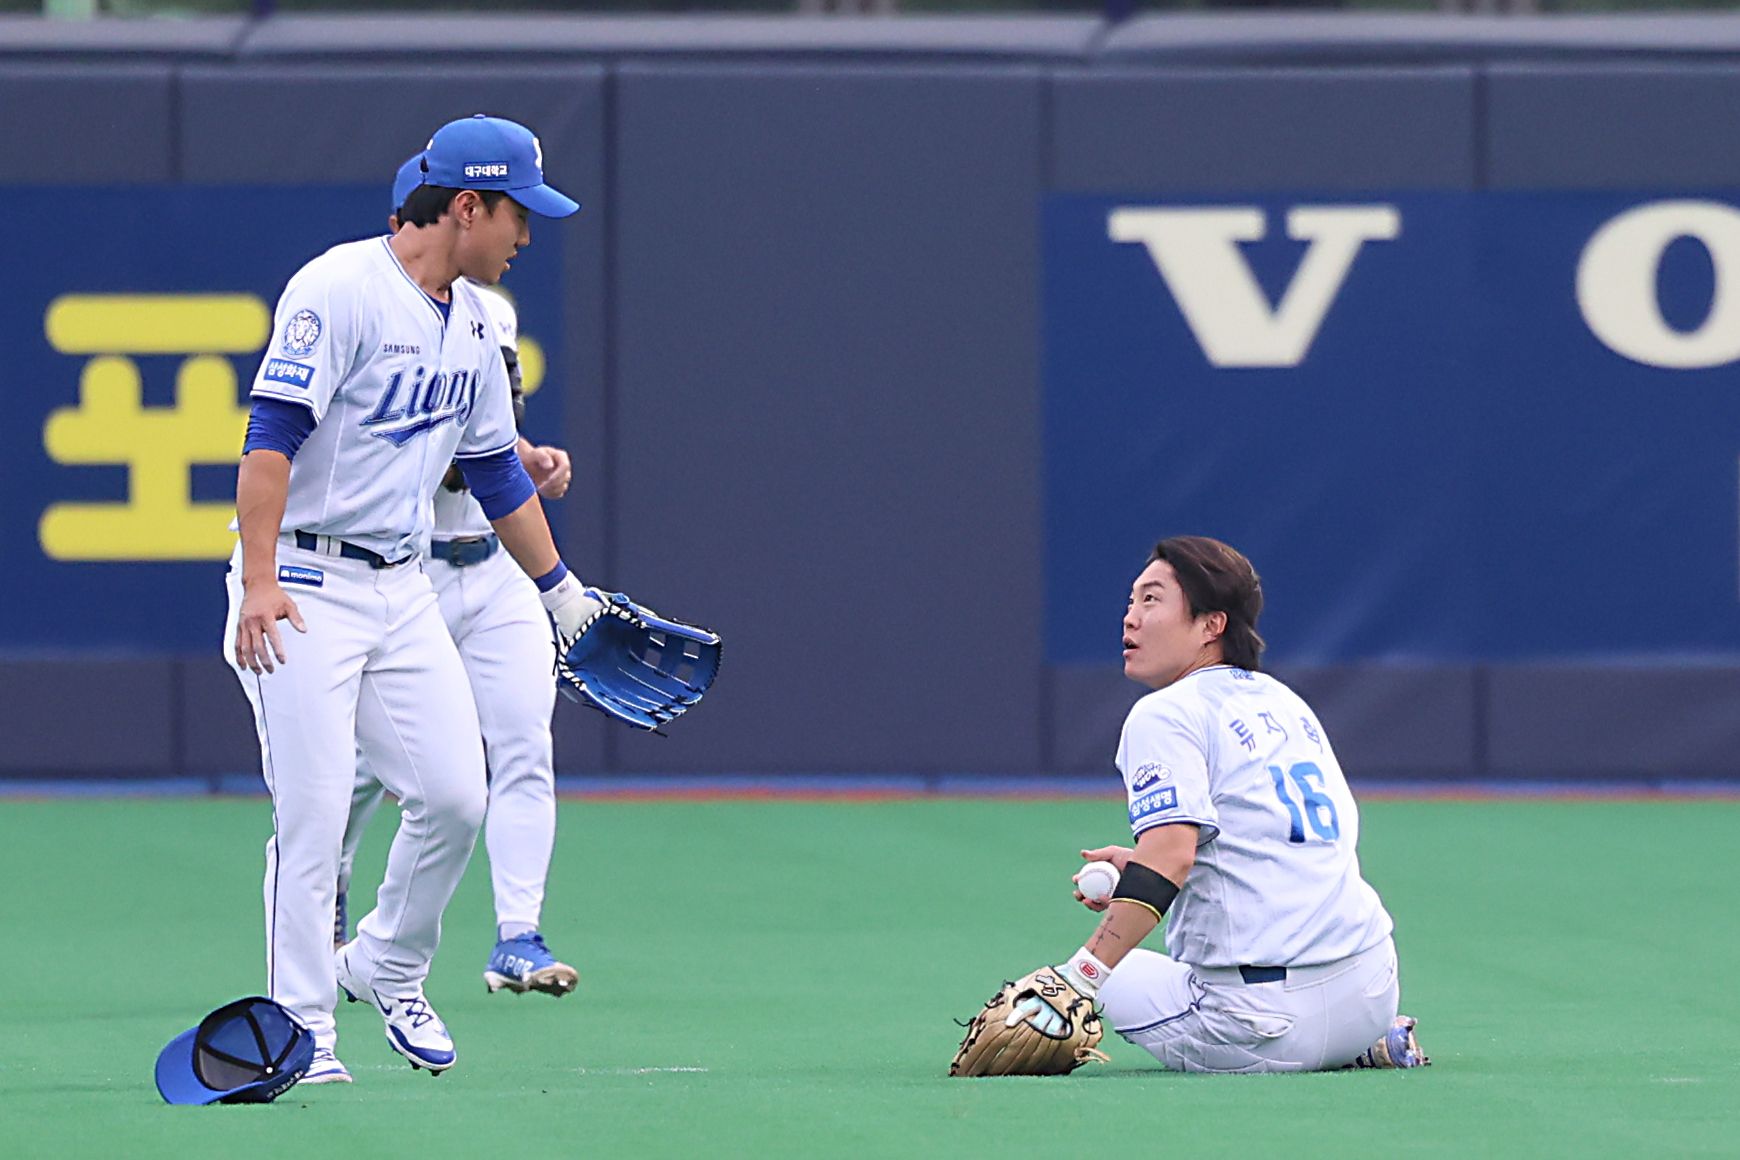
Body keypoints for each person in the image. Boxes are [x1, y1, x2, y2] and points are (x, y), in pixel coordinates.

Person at [225, 114, 608, 1086]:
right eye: (519, 214)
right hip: (306, 582)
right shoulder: (340, 288)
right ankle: (303, 1032)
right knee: (313, 813)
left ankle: (390, 959)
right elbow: (268, 439)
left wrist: (560, 591)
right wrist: (260, 577)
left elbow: (493, 470)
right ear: (467, 206)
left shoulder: (476, 322)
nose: (528, 236)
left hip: (399, 585)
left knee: (454, 793)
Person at [1036, 535, 1427, 1072]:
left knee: (1103, 979)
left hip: (1265, 1026)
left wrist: (1079, 978)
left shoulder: (1163, 713)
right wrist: (1142, 863)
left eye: (1152, 600)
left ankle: (1314, 1045)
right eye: (1131, 601)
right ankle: (1369, 1043)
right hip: (1372, 987)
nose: (1130, 618)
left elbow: (1171, 859)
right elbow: (1258, 835)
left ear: (1211, 624)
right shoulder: (1282, 698)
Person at [334, 156, 579, 1002]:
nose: (525, 236)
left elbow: (486, 436)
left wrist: (527, 459)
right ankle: (331, 905)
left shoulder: (484, 314)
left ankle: (518, 935)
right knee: (374, 771)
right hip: (409, 574)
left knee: (522, 748)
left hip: (493, 569)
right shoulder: (365, 304)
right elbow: (435, 457)